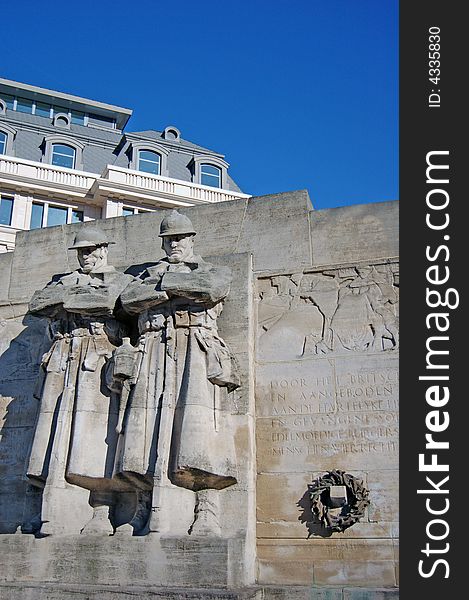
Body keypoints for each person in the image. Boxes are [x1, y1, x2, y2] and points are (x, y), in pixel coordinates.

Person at [115, 210, 240, 534]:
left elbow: (211, 288)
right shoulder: (146, 276)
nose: (174, 245)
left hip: (194, 350)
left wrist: (164, 285)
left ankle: (206, 509)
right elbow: (129, 300)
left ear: (192, 239)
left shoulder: (211, 270)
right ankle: (143, 506)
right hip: (153, 349)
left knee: (199, 436)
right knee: (143, 436)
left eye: (180, 238)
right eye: (169, 239)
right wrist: (167, 289)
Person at [26, 226, 134, 535]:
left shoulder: (119, 280)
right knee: (52, 435)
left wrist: (70, 299)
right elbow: (38, 305)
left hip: (97, 357)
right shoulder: (64, 281)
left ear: (103, 249)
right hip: (63, 356)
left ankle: (101, 508)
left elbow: (116, 304)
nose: (85, 255)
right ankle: (52, 509)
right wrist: (75, 294)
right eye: (80, 251)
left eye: (90, 250)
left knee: (96, 438)